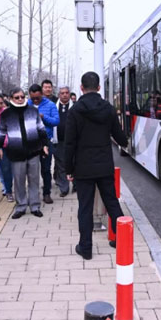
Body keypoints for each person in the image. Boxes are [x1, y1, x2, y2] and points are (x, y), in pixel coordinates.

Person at [64, 72, 128, 260]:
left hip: (83, 168)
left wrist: (69, 169)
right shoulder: (108, 109)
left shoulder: (75, 111)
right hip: (104, 165)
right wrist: (124, 138)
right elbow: (120, 138)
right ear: (99, 87)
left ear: (81, 88)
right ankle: (122, 241)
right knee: (112, 202)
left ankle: (86, 248)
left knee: (84, 207)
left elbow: (70, 143)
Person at [0, 87, 49, 219]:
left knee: (34, 180)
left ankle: (35, 206)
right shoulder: (5, 114)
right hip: (16, 152)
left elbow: (41, 129)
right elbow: (1, 133)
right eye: (17, 97)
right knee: (19, 181)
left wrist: (45, 145)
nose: (20, 99)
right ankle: (20, 207)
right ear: (10, 99)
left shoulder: (33, 111)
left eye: (22, 96)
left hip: (34, 151)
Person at [27, 84, 59, 204]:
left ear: (41, 94)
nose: (35, 100)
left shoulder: (50, 105)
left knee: (46, 169)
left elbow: (56, 121)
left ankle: (47, 193)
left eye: (37, 97)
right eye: (33, 97)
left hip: (46, 142)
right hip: (30, 142)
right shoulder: (26, 104)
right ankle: (33, 195)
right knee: (31, 170)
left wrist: (43, 117)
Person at [52, 85, 73, 197]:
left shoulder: (75, 107)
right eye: (62, 93)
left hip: (72, 141)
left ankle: (75, 184)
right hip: (58, 140)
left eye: (66, 93)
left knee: (73, 162)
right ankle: (64, 188)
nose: (65, 95)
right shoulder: (53, 107)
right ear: (59, 95)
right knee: (61, 164)